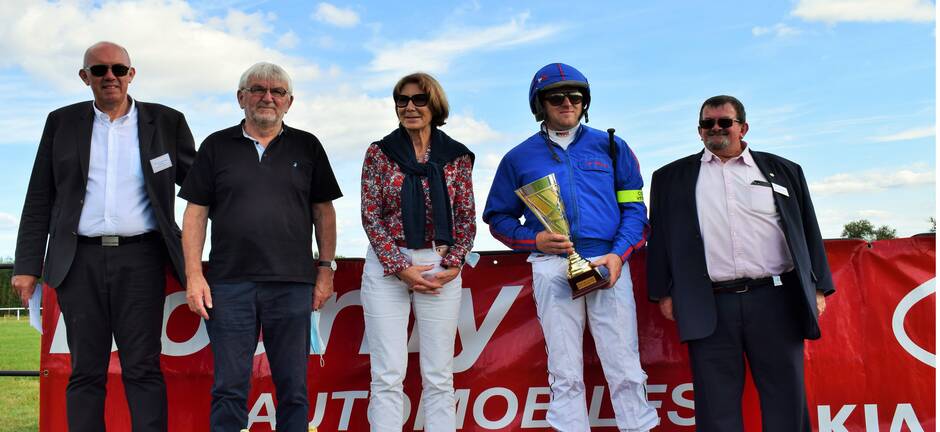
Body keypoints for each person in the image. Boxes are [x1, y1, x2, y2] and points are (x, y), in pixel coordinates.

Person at [11, 41, 195, 431]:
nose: (109, 76)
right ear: (85, 77)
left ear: (131, 74)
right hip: (80, 261)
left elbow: (200, 189)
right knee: (86, 371)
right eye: (99, 71)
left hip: (142, 259)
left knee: (143, 367)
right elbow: (38, 196)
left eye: (117, 69)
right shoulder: (61, 122)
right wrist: (27, 265)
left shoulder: (167, 122)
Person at [483, 63, 658, 432]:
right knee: (564, 370)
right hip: (551, 265)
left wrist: (619, 254)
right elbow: (497, 218)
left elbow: (635, 211)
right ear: (539, 104)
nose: (567, 103)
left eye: (575, 97)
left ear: (585, 102)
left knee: (624, 365)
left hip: (609, 262)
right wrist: (535, 240)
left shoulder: (612, 146)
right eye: (556, 97)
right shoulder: (518, 158)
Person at [646, 95, 836, 431]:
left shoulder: (784, 170)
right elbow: (659, 239)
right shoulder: (670, 178)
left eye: (724, 122)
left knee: (786, 400)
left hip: (776, 300)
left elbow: (807, 229)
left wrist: (819, 285)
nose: (715, 129)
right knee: (715, 406)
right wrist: (663, 292)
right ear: (699, 130)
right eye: (708, 123)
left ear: (743, 127)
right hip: (709, 304)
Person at [179, 62, 341, 432]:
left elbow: (324, 212)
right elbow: (195, 214)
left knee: (293, 388)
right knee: (229, 388)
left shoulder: (308, 146)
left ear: (289, 102)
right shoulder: (216, 146)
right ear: (241, 98)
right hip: (229, 285)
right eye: (257, 89)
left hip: (293, 284)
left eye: (277, 92)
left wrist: (325, 270)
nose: (267, 97)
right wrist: (194, 275)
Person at [359, 72, 475, 432]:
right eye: (402, 100)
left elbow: (466, 217)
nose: (410, 107)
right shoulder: (379, 153)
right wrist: (399, 266)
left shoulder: (456, 156)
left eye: (419, 100)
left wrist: (453, 264)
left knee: (439, 375)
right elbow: (370, 214)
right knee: (387, 374)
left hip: (439, 268)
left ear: (434, 104)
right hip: (387, 268)